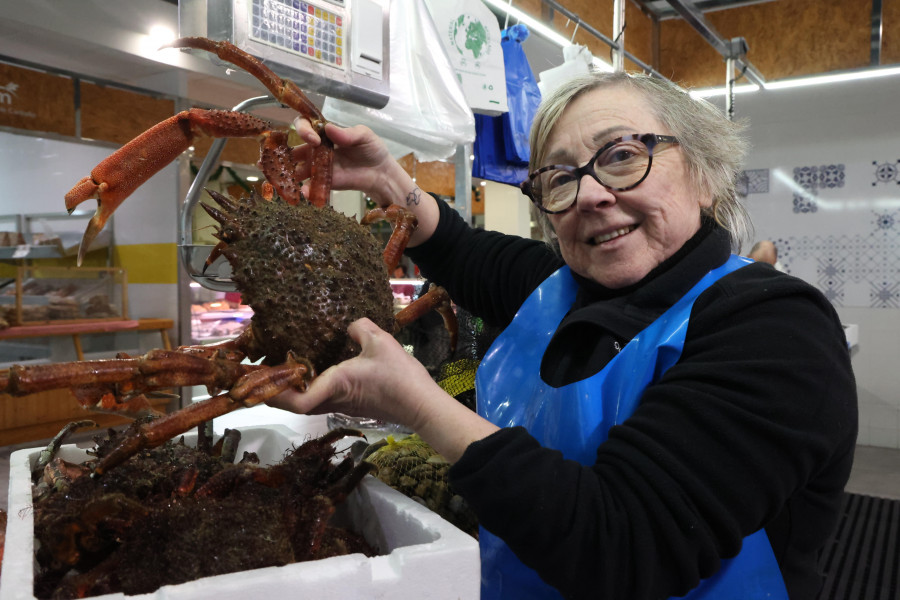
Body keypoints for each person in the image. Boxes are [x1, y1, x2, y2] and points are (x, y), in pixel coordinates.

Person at [273, 71, 857, 600]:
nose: (591, 195)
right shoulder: (559, 286)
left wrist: (421, 406)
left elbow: (628, 546)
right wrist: (384, 177)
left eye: (624, 156)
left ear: (704, 175)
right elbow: (456, 246)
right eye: (559, 179)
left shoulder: (775, 326)